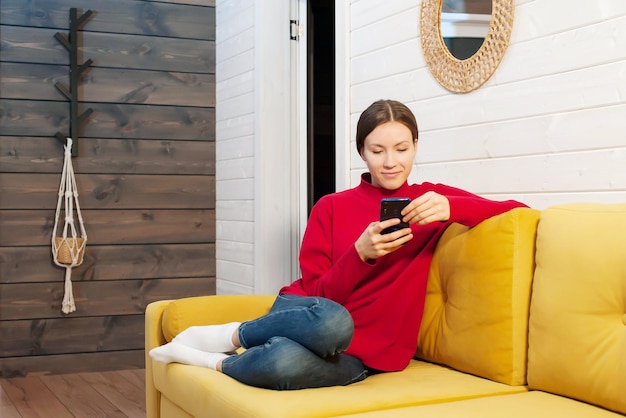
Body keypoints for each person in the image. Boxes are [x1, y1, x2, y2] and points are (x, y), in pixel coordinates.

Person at [149, 99, 527, 390]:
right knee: (333, 322)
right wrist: (359, 256)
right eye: (377, 151)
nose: (391, 162)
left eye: (401, 149)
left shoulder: (431, 203)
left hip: (372, 354)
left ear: (415, 146)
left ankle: (208, 360)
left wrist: (452, 206)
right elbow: (316, 292)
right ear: (362, 152)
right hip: (313, 316)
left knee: (282, 364)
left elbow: (518, 211)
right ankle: (231, 335)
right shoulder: (330, 207)